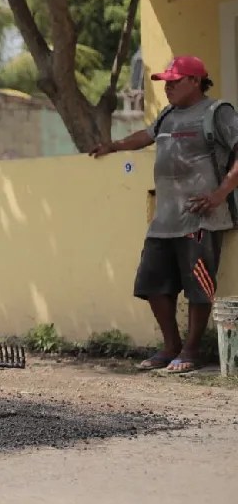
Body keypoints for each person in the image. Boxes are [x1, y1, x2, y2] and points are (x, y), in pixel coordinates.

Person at [90, 55, 238, 373]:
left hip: (201, 218)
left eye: (174, 81)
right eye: (165, 82)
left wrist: (219, 194)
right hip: (164, 220)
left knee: (199, 287)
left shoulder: (217, 112)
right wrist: (113, 146)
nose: (167, 87)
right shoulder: (167, 115)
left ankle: (191, 351)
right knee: (152, 282)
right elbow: (146, 136)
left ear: (195, 81)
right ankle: (171, 346)